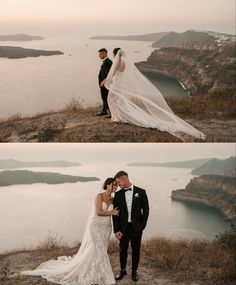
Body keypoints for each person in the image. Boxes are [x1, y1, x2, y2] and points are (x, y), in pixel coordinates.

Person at [21, 178, 119, 285]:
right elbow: (99, 212)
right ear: (107, 185)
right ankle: (106, 276)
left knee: (100, 250)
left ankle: (95, 271)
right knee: (100, 249)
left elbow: (117, 213)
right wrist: (112, 213)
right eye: (113, 185)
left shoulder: (114, 199)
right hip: (95, 227)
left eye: (116, 186)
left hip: (106, 228)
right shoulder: (99, 196)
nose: (115, 187)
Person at [104, 48, 206, 141]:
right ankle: (120, 116)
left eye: (114, 54)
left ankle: (118, 117)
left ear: (115, 54)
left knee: (111, 98)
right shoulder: (124, 63)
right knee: (119, 100)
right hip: (120, 82)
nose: (113, 56)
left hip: (117, 82)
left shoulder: (117, 62)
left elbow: (113, 73)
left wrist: (106, 80)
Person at [112, 171, 149, 282]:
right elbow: (115, 214)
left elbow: (146, 210)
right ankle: (123, 270)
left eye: (119, 182)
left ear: (124, 178)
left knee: (136, 250)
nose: (118, 185)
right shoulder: (118, 195)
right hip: (123, 228)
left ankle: (134, 271)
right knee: (122, 250)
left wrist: (142, 225)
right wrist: (116, 230)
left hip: (136, 228)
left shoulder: (141, 192)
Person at [97, 48, 113, 118]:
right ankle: (104, 110)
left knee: (105, 98)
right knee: (104, 97)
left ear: (104, 53)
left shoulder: (107, 63)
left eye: (100, 54)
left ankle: (110, 112)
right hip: (105, 84)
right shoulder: (108, 61)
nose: (99, 55)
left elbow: (108, 75)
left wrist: (103, 82)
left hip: (105, 84)